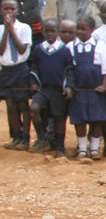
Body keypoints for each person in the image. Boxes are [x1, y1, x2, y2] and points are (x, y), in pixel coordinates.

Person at [65, 16, 106, 160]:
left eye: (83, 29)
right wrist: (71, 86)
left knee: (96, 119)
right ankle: (81, 149)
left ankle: (94, 149)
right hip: (78, 90)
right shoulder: (71, 47)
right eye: (78, 29)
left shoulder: (99, 46)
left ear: (92, 30)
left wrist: (104, 85)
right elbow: (69, 69)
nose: (80, 32)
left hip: (96, 90)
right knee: (80, 120)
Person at [29, 17, 72, 155]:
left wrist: (68, 86)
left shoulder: (64, 50)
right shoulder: (38, 49)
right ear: (42, 32)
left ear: (58, 32)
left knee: (59, 118)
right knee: (34, 108)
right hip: (43, 89)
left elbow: (70, 69)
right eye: (47, 31)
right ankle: (42, 138)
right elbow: (34, 66)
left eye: (53, 31)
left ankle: (59, 146)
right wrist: (34, 82)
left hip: (58, 90)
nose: (50, 34)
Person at [0, 0, 33, 149]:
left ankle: (26, 138)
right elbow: (1, 51)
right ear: (1, 11)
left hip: (21, 69)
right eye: (5, 9)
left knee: (23, 104)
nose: (9, 12)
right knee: (10, 105)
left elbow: (21, 49)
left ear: (17, 11)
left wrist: (12, 29)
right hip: (7, 70)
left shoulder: (25, 28)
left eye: (12, 9)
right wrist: (6, 31)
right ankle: (16, 137)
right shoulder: (0, 29)